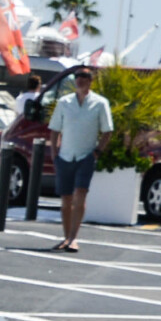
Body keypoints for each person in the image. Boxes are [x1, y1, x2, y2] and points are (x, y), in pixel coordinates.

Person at [46, 64, 112, 253]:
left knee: (80, 194)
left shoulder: (100, 103)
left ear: (91, 81)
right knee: (66, 199)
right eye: (77, 77)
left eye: (84, 77)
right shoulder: (64, 102)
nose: (80, 80)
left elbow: (108, 130)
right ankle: (66, 237)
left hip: (86, 156)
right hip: (65, 155)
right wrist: (54, 153)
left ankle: (74, 238)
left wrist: (97, 151)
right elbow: (54, 129)